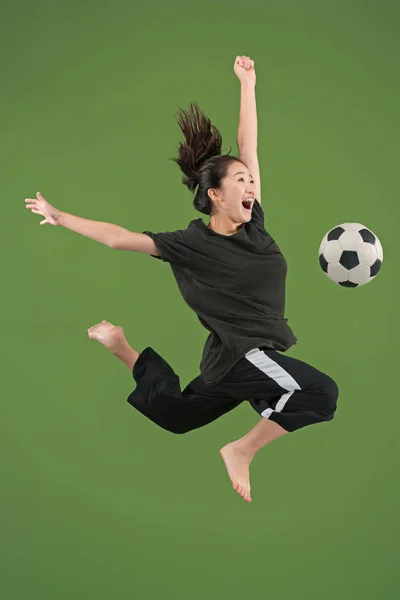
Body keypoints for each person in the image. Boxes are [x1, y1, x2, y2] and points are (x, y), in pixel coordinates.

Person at [25, 55, 339, 503]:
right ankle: (242, 450)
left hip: (233, 358)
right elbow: (118, 239)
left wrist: (247, 84)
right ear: (215, 195)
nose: (252, 186)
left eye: (252, 181)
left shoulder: (255, 225)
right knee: (321, 392)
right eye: (241, 181)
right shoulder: (189, 244)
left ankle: (123, 349)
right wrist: (60, 217)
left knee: (177, 416)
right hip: (243, 354)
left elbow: (248, 146)